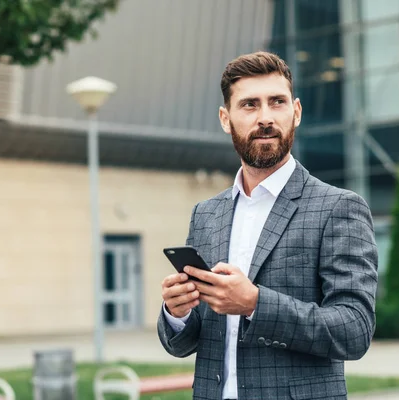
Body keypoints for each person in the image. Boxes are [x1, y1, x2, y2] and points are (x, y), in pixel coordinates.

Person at [157, 51, 378, 400]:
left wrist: (255, 303)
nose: (265, 117)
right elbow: (186, 343)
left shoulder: (338, 208)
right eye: (249, 105)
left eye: (277, 102)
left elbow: (354, 330)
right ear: (225, 118)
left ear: (297, 112)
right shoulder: (206, 214)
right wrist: (177, 312)